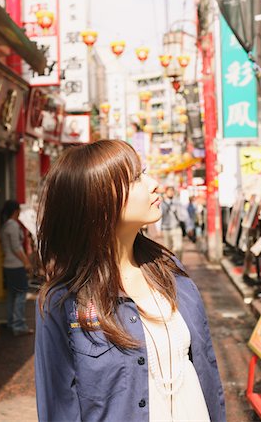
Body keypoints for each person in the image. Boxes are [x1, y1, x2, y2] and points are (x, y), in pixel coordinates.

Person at [35, 140, 225, 422]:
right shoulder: (62, 302)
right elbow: (58, 409)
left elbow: (206, 368)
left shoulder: (170, 272)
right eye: (136, 178)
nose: (154, 184)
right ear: (98, 201)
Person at [0, 200, 34, 336]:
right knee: (20, 294)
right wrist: (27, 263)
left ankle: (11, 322)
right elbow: (16, 248)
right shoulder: (13, 225)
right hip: (16, 265)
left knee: (12, 295)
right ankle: (19, 325)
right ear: (16, 211)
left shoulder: (5, 226)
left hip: (8, 265)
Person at [160, 186, 193, 259]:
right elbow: (159, 217)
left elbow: (185, 215)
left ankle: (179, 265)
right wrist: (159, 229)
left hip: (177, 228)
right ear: (166, 192)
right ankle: (169, 266)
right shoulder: (162, 204)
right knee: (167, 249)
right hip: (166, 229)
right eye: (169, 191)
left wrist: (189, 227)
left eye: (172, 191)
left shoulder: (178, 203)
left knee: (179, 248)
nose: (170, 192)